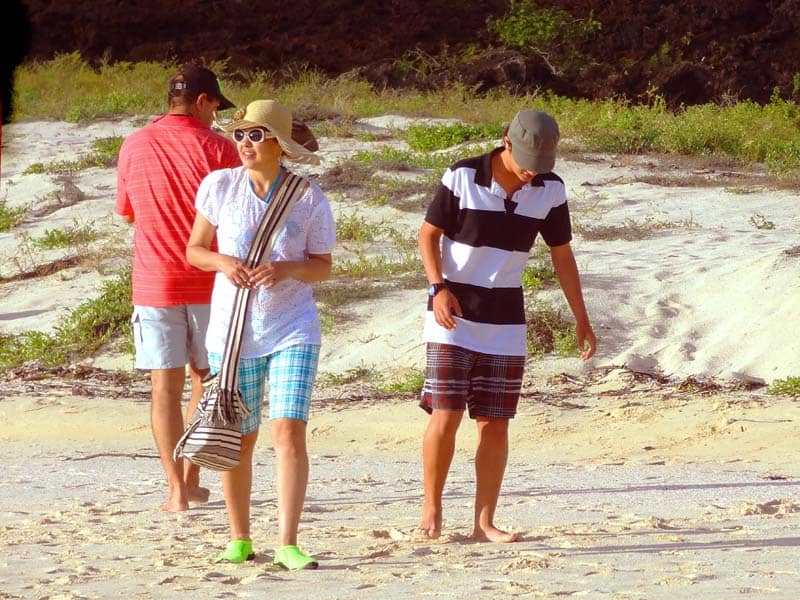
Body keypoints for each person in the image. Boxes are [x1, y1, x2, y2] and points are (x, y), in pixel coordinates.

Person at [416, 109, 597, 542]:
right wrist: (437, 288)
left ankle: (483, 523)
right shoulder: (462, 176)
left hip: (505, 318)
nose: (533, 169)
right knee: (447, 413)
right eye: (527, 158)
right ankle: (431, 508)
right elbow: (427, 235)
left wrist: (582, 319)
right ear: (506, 141)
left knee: (495, 422)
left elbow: (562, 256)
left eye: (541, 161)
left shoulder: (550, 189)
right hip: (452, 313)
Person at [186, 99, 335, 569]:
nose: (245, 144)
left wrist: (286, 268)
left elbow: (322, 267)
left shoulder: (309, 197)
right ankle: (240, 537)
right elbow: (194, 250)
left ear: (279, 145)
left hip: (293, 328)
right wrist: (222, 262)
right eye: (240, 135)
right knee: (240, 436)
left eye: (256, 135)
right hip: (232, 331)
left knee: (288, 431)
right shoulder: (220, 187)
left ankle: (288, 542)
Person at [115, 62, 241, 512]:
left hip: (154, 281)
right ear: (203, 100)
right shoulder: (220, 149)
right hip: (211, 279)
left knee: (163, 389)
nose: (216, 116)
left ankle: (175, 491)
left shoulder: (133, 144)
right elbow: (237, 217)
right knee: (206, 384)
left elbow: (127, 211)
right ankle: (190, 477)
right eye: (215, 107)